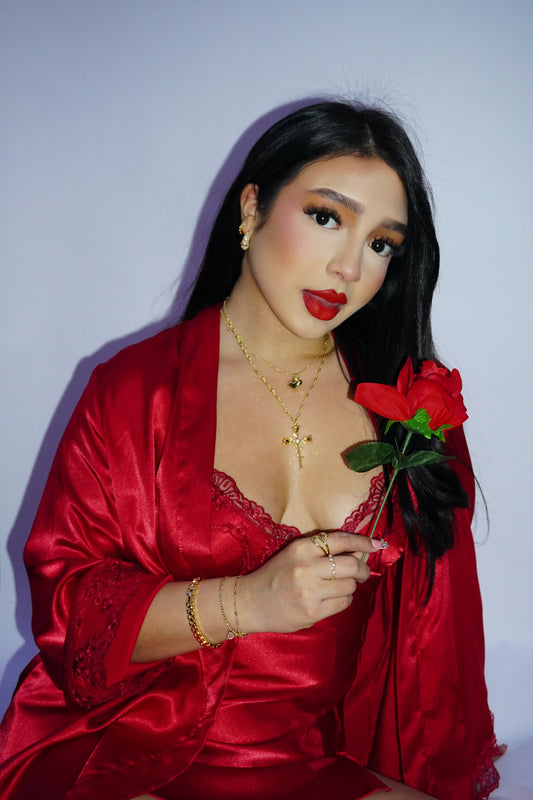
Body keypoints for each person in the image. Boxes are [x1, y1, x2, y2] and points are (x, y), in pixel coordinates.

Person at [0, 100, 501, 800]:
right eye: (326, 217)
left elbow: (432, 654)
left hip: (313, 765)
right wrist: (247, 602)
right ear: (251, 208)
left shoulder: (411, 410)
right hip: (128, 753)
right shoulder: (135, 392)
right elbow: (69, 613)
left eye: (382, 243)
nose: (349, 266)